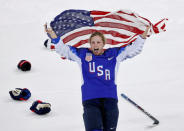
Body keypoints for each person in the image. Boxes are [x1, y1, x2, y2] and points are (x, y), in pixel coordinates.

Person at [45, 24, 150, 131]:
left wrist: (143, 36)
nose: (95, 45)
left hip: (110, 100)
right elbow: (64, 50)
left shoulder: (114, 54)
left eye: (98, 42)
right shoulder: (82, 54)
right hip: (90, 100)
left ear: (103, 44)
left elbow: (132, 50)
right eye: (93, 42)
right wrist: (53, 35)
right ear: (90, 44)